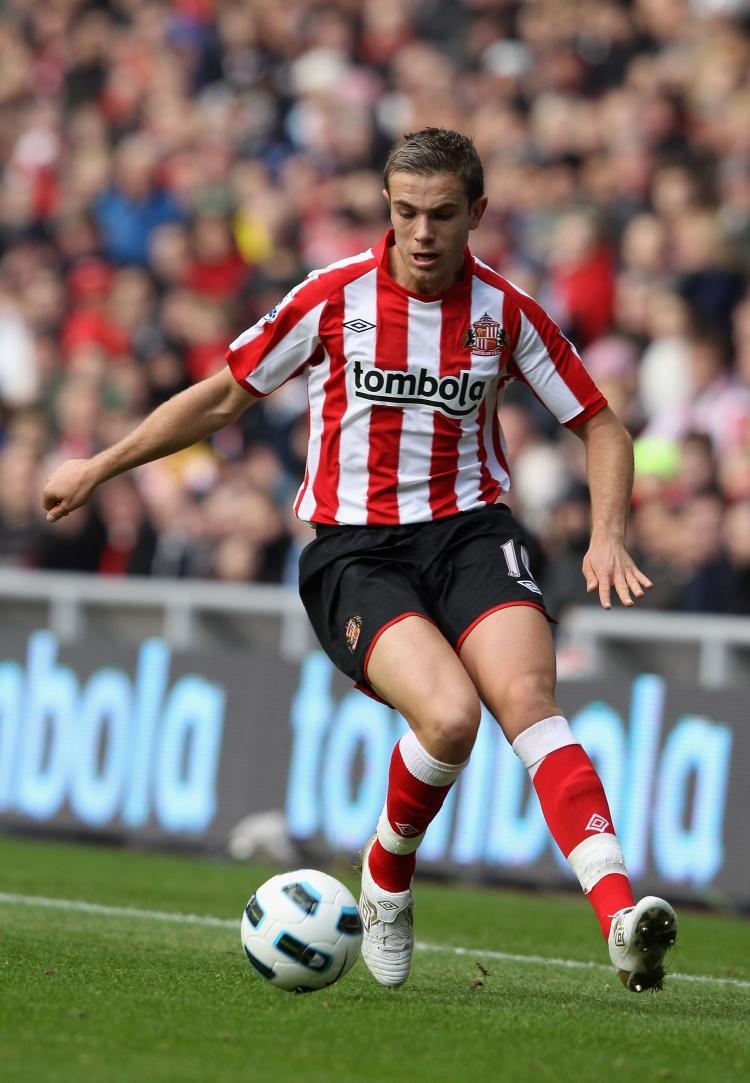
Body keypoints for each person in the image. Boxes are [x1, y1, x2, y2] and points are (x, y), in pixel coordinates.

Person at [43, 128, 677, 993]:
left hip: (472, 533)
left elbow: (600, 424)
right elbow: (227, 394)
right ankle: (386, 873)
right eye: (407, 211)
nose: (422, 232)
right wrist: (100, 464)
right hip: (355, 550)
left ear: (477, 214)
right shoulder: (332, 298)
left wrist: (609, 529)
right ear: (387, 205)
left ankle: (619, 918)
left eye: (443, 214)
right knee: (450, 719)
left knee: (529, 699)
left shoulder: (507, 313)